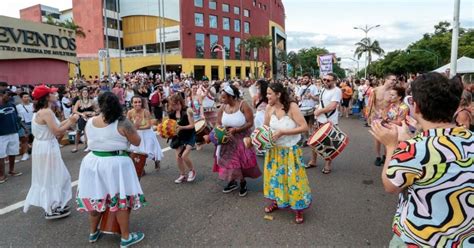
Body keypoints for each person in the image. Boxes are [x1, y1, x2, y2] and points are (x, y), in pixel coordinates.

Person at [369, 72, 473, 247]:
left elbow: (391, 186)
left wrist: (391, 146)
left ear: (415, 107)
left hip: (420, 238)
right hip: (463, 238)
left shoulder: (414, 148)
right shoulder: (468, 137)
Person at [76, 92, 146, 247]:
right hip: (116, 164)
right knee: (121, 200)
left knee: (96, 197)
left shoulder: (90, 121)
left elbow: (88, 142)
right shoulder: (122, 122)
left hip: (93, 162)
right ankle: (126, 237)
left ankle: (93, 233)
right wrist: (135, 127)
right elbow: (137, 142)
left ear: (99, 105)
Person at [23, 85, 79, 219]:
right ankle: (51, 208)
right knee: (53, 176)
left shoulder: (43, 111)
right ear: (47, 97)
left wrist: (69, 120)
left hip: (44, 146)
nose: (55, 95)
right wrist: (71, 121)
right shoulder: (46, 112)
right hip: (46, 146)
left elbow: (57, 126)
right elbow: (57, 132)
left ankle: (55, 204)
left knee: (54, 176)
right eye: (52, 93)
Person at [263, 82, 312, 224]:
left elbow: (304, 127)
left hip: (290, 151)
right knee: (275, 178)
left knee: (294, 180)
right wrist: (256, 138)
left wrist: (283, 132)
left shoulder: (292, 106)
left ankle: (298, 208)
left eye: (269, 94)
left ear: (278, 94)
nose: (267, 96)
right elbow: (265, 128)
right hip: (274, 151)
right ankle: (277, 201)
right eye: (266, 93)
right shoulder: (269, 108)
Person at [214, 85, 261, 196]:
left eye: (224, 97)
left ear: (231, 97)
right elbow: (217, 122)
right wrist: (220, 130)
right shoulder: (222, 107)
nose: (222, 100)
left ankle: (242, 182)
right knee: (229, 161)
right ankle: (232, 181)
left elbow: (250, 123)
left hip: (241, 138)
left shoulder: (243, 105)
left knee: (241, 162)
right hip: (227, 139)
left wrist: (237, 129)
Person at [308, 73, 343, 173]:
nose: (325, 81)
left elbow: (332, 106)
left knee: (328, 144)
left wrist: (319, 111)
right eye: (324, 79)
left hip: (330, 121)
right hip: (319, 120)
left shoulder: (337, 91)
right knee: (314, 141)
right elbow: (321, 102)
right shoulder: (323, 89)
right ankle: (313, 161)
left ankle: (328, 165)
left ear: (334, 81)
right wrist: (312, 99)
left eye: (328, 80)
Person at [366, 74, 397, 166]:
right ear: (386, 79)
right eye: (392, 80)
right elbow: (370, 104)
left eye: (395, 80)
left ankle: (386, 155)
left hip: (388, 118)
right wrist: (370, 116)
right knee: (377, 139)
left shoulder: (393, 92)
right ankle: (378, 156)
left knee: (388, 138)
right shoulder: (375, 90)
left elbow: (396, 105)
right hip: (376, 118)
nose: (394, 82)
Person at [127, 96, 163, 170]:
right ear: (132, 104)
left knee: (148, 152)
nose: (138, 104)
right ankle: (141, 169)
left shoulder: (145, 111)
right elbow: (128, 124)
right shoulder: (130, 112)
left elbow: (149, 126)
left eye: (139, 102)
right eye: (135, 102)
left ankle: (156, 160)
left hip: (147, 134)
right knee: (137, 152)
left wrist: (136, 127)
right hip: (137, 134)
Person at [168, 94, 197, 184]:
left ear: (179, 102)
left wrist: (181, 127)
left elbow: (192, 126)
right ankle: (182, 174)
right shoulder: (171, 113)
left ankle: (192, 171)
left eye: (173, 104)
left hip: (189, 135)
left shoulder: (188, 110)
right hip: (178, 136)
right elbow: (170, 125)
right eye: (171, 105)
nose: (172, 106)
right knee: (178, 157)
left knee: (184, 155)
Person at [0, 89, 22, 183]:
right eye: (8, 95)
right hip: (1, 135)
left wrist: (22, 128)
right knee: (1, 155)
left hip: (13, 132)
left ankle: (11, 170)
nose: (10, 97)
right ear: (1, 95)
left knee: (12, 152)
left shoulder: (12, 105)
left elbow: (17, 118)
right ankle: (1, 175)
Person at [72, 87, 96, 153]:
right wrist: (81, 114)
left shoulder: (92, 101)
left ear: (88, 94)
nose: (85, 94)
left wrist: (94, 113)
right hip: (81, 118)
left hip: (90, 118)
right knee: (78, 131)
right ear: (81, 94)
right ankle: (75, 147)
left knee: (88, 131)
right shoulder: (78, 101)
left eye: (86, 93)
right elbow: (74, 110)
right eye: (83, 93)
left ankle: (88, 146)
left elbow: (97, 110)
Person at [296, 74, 319, 142]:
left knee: (311, 124)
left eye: (306, 78)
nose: (304, 79)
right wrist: (299, 98)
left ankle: (312, 138)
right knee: (305, 125)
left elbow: (317, 98)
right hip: (302, 108)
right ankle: (307, 139)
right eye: (303, 78)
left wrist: (311, 96)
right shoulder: (301, 87)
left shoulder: (314, 87)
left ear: (309, 79)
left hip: (311, 108)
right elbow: (298, 97)